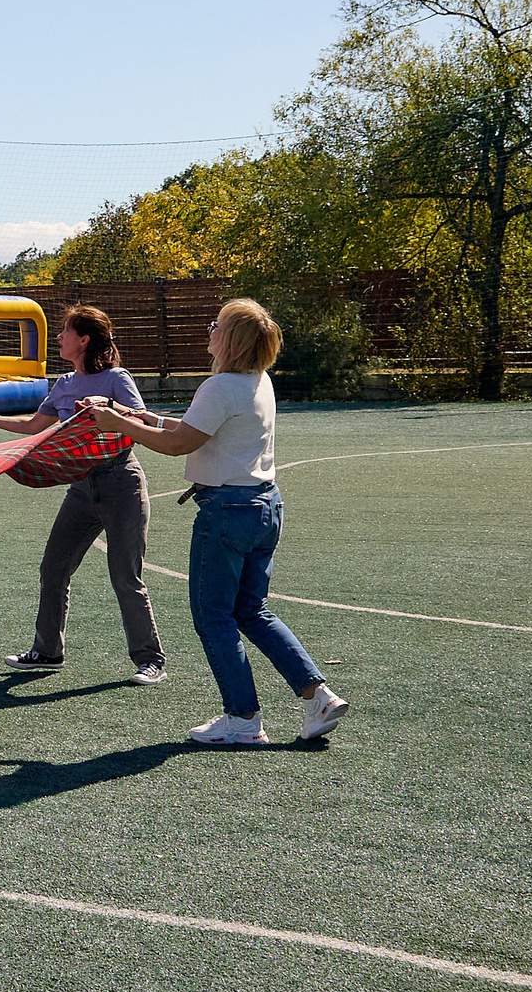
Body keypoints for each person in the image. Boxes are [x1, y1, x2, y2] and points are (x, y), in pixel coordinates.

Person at [89, 299, 349, 745]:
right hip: (265, 506)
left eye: (216, 325)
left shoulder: (218, 386)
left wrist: (117, 423)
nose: (209, 331)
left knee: (214, 618)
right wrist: (146, 418)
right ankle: (316, 694)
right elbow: (198, 429)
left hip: (227, 512)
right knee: (252, 610)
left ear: (230, 339)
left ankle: (243, 718)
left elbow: (179, 445)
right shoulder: (258, 382)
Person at [0, 305, 167, 684]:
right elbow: (33, 426)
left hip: (121, 482)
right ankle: (47, 651)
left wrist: (108, 407)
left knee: (126, 576)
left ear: (84, 340)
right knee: (53, 568)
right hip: (80, 489)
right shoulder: (62, 384)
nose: (58, 337)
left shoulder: (116, 378)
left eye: (65, 331)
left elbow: (139, 421)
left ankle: (150, 660)